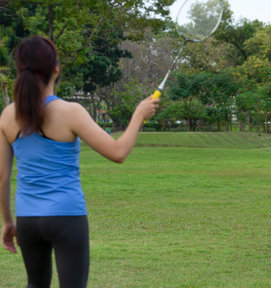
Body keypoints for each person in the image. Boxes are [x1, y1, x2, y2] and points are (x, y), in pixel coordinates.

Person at [0, 35, 160, 287]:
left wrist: (8, 222)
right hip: (66, 216)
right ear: (56, 68)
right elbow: (118, 153)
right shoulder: (70, 112)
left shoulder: (7, 116)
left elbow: (2, 177)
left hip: (27, 219)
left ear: (21, 69)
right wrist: (138, 115)